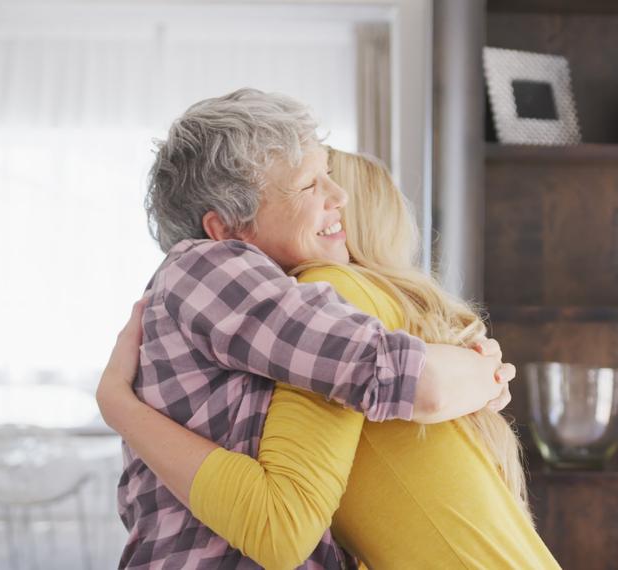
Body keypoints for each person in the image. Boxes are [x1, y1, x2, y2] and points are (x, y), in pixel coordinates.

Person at [100, 88, 516, 569]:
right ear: (226, 229)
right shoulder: (205, 266)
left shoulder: (252, 305)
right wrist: (486, 372)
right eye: (308, 185)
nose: (338, 197)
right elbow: (416, 383)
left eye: (329, 176)